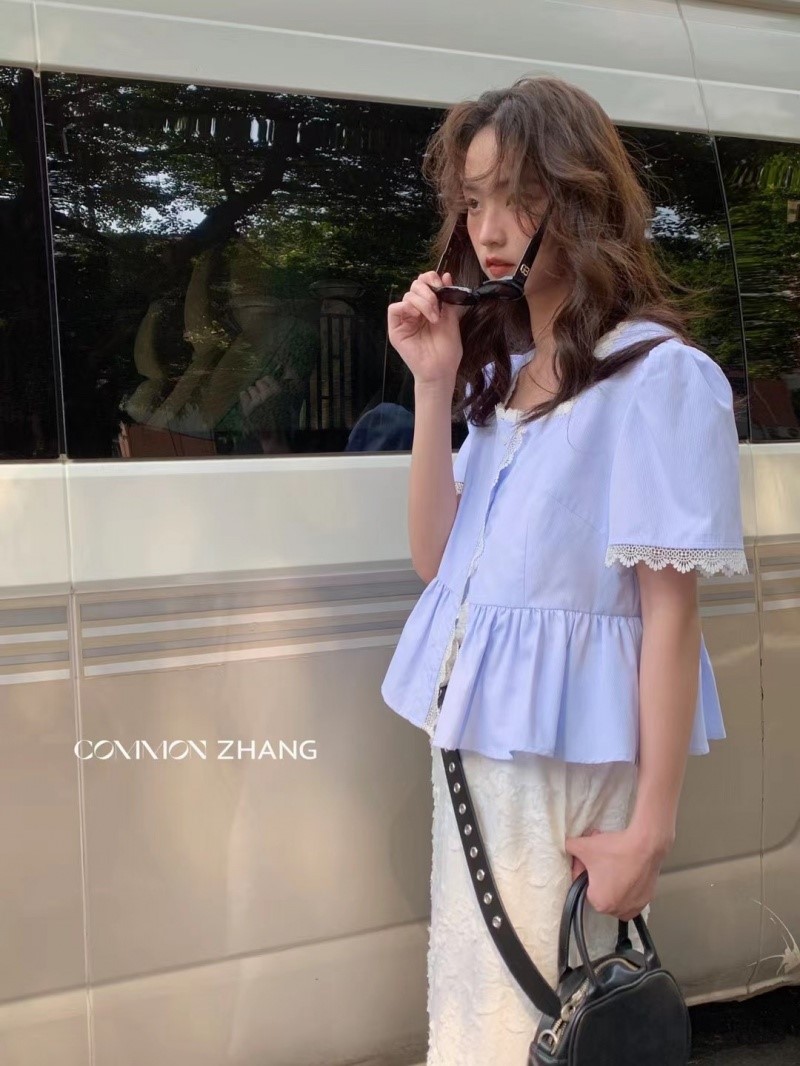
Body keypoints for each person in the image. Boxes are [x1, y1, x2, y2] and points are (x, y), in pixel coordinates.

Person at [379, 76, 748, 1065]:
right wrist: (433, 386)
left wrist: (650, 833)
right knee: (479, 1025)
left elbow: (670, 618)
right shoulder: (504, 374)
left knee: (548, 1029)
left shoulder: (657, 377)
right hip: (478, 771)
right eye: (474, 200)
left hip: (567, 776)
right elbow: (436, 561)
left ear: (580, 201)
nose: (490, 229)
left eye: (522, 197)